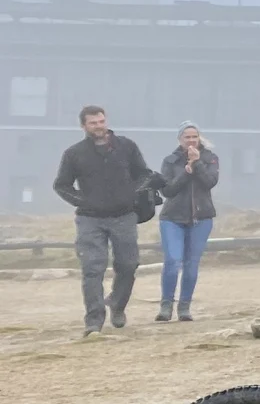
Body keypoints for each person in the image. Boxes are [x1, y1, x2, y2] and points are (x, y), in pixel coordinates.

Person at [53, 105, 160, 336]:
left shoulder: (127, 146)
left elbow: (144, 174)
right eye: (93, 123)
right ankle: (94, 321)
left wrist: (132, 194)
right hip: (90, 219)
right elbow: (61, 185)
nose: (99, 126)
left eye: (101, 121)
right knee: (92, 269)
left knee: (128, 265)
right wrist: (83, 201)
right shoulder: (74, 153)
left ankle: (117, 305)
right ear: (83, 126)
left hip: (124, 215)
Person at [155, 121, 220, 322]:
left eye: (194, 137)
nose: (191, 140)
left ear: (199, 138)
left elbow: (210, 182)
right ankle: (166, 304)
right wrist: (186, 172)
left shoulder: (210, 158)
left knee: (191, 264)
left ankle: (184, 306)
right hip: (173, 218)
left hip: (201, 218)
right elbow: (167, 190)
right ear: (180, 139)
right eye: (187, 137)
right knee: (173, 260)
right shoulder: (170, 161)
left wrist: (197, 164)